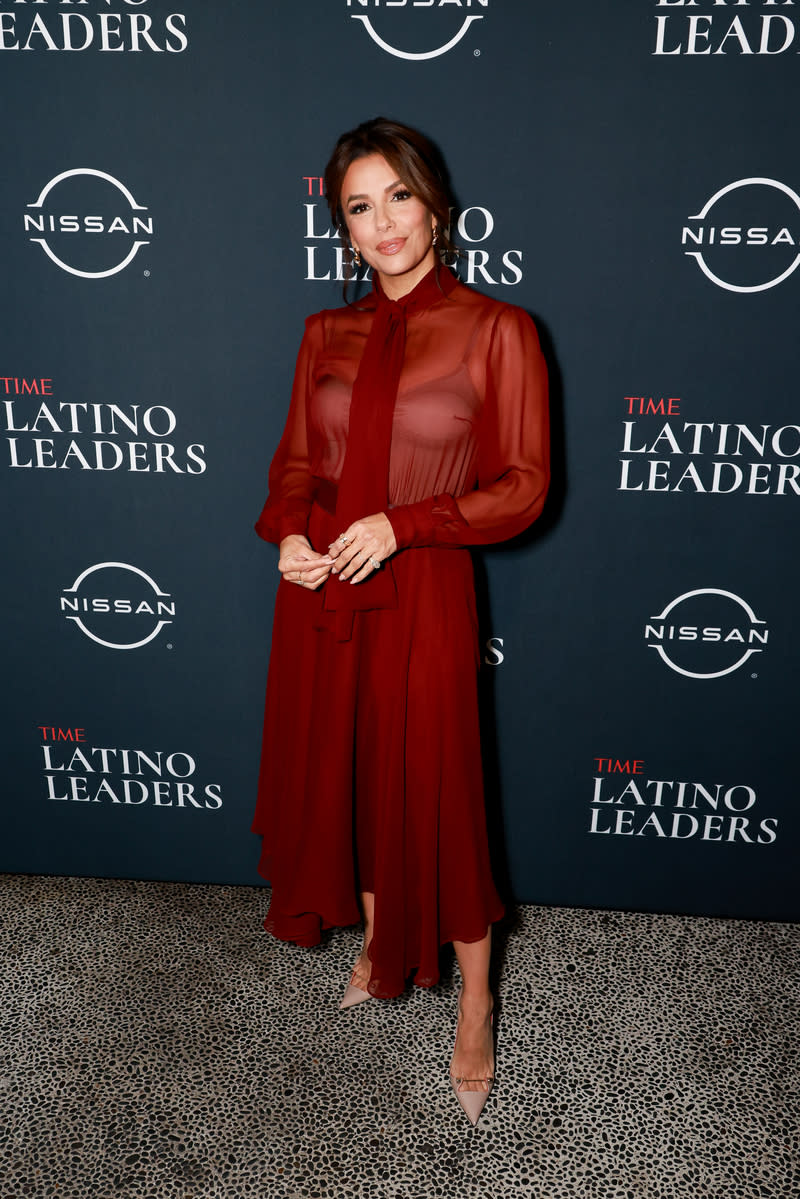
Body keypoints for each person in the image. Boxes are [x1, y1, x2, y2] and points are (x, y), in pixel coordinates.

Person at [252, 117, 549, 1126]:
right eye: (358, 206)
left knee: (438, 795)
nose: (382, 223)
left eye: (398, 197)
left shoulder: (496, 330)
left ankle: (474, 998)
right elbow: (297, 465)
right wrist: (290, 532)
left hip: (421, 592)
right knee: (348, 776)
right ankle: (381, 950)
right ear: (341, 225)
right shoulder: (321, 335)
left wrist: (404, 522)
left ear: (436, 203)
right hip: (323, 596)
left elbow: (521, 489)